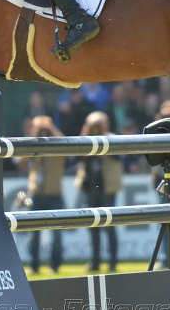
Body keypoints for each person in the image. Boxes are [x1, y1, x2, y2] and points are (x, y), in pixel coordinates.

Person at [75, 111, 122, 272]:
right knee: (93, 226)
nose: (95, 128)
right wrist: (84, 134)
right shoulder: (86, 140)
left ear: (106, 125)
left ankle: (113, 262)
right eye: (92, 125)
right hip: (90, 188)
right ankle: (94, 262)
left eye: (98, 124)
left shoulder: (112, 138)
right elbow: (75, 157)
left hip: (107, 188)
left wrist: (103, 136)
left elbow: (119, 158)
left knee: (110, 226)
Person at [24, 116, 65, 274]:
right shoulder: (34, 148)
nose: (43, 132)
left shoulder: (57, 147)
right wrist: (34, 134)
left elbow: (64, 143)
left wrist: (50, 127)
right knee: (34, 233)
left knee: (57, 233)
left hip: (54, 193)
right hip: (36, 193)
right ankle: (34, 265)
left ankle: (55, 265)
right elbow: (20, 159)